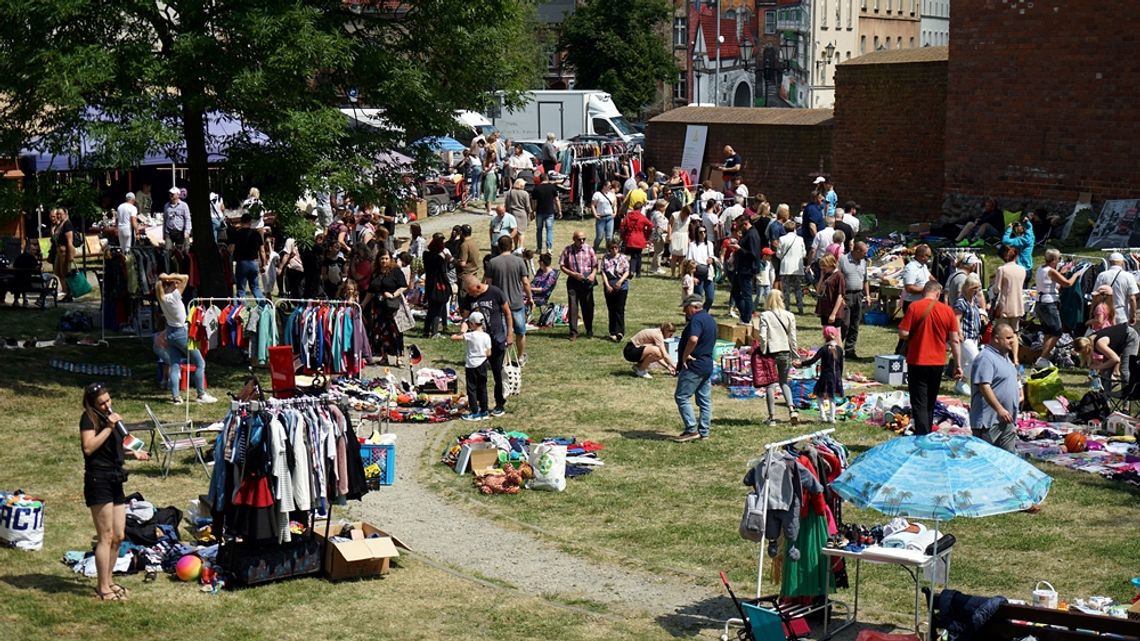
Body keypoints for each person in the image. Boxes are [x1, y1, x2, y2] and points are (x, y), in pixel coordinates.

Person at [80, 383, 150, 601]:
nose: (107, 405)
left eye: (108, 400)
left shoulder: (112, 418)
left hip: (115, 478)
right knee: (106, 535)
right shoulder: (89, 418)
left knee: (119, 535)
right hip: (98, 479)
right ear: (92, 404)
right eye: (102, 403)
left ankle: (109, 580)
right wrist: (109, 427)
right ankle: (103, 587)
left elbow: (115, 447)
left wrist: (134, 453)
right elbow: (89, 447)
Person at [898, 281, 962, 435]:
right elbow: (955, 340)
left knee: (919, 400)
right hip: (938, 361)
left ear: (923, 292)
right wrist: (957, 364)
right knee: (930, 400)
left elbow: (903, 333)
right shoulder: (947, 311)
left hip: (917, 360)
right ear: (938, 294)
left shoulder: (914, 307)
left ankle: (922, 435)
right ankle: (926, 431)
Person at [156, 273, 216, 404]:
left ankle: (176, 397)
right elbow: (186, 277)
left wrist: (167, 279)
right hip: (181, 332)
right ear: (169, 285)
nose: (177, 285)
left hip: (170, 332)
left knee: (174, 365)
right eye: (174, 283)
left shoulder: (162, 298)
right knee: (200, 363)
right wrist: (169, 276)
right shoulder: (174, 297)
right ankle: (201, 394)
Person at [460, 276, 514, 417]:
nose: (469, 294)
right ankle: (481, 405)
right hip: (478, 344)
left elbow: (508, 313)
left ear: (478, 287)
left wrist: (509, 334)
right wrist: (462, 332)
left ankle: (499, 403)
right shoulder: (469, 298)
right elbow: (465, 318)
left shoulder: (495, 292)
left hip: (496, 340)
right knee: (478, 376)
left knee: (498, 374)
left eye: (470, 291)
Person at [969, 321, 1020, 452]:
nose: (1012, 341)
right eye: (1008, 338)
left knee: (1008, 459)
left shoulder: (1006, 358)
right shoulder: (986, 358)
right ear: (996, 339)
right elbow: (984, 386)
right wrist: (1000, 409)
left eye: (1013, 337)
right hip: (989, 422)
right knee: (986, 459)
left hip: (1007, 420)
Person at [672, 294, 717, 442]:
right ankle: (704, 432)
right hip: (707, 364)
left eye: (686, 308)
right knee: (705, 401)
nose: (684, 311)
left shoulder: (696, 320)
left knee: (682, 396)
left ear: (694, 307)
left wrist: (685, 355)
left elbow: (693, 339)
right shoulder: (710, 320)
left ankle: (691, 429)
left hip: (695, 365)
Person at [755, 290, 799, 426]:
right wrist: (795, 355)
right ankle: (792, 410)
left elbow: (763, 336)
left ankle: (772, 417)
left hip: (771, 352)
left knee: (770, 384)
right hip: (785, 351)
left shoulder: (765, 315)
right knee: (784, 382)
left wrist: (763, 350)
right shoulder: (790, 315)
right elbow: (793, 337)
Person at [485, 235, 532, 361]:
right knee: (520, 332)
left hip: (500, 304)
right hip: (517, 303)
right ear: (511, 246)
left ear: (499, 247)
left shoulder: (492, 263)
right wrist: (530, 297)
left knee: (503, 334)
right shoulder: (519, 261)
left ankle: (504, 359)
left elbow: (488, 284)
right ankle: (520, 356)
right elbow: (525, 282)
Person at [1034, 248, 1082, 368]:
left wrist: (1062, 272)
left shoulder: (1041, 268)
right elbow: (1067, 284)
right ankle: (1043, 358)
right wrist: (1076, 275)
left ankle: (1044, 358)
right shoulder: (1051, 271)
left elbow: (1052, 281)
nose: (1060, 261)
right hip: (1049, 304)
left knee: (1048, 332)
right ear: (1054, 259)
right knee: (1057, 332)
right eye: (1059, 258)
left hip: (1040, 303)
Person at [361, 249, 408, 366]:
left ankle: (398, 358)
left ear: (390, 259)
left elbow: (403, 286)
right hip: (378, 308)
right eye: (382, 258)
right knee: (381, 332)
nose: (384, 261)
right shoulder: (375, 273)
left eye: (386, 258)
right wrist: (363, 304)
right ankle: (384, 356)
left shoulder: (395, 271)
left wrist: (393, 295)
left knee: (395, 332)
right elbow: (371, 291)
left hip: (392, 307)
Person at [796, 326, 845, 423]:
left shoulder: (824, 349)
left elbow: (813, 360)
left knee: (819, 395)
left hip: (825, 376)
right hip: (836, 376)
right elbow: (841, 365)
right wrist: (839, 377)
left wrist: (801, 364)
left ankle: (823, 416)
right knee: (832, 397)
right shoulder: (839, 349)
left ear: (824, 336)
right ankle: (832, 418)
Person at [896, 243, 935, 354]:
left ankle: (914, 352)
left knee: (919, 331)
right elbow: (909, 288)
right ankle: (900, 353)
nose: (929, 258)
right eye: (928, 256)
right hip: (912, 304)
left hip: (922, 303)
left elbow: (929, 277)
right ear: (922, 256)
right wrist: (926, 291)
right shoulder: (911, 268)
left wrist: (936, 285)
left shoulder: (923, 266)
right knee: (909, 331)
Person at [990, 245, 1026, 364]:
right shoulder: (1022, 269)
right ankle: (1015, 358)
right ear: (1016, 256)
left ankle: (1001, 357)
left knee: (1001, 333)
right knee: (1014, 333)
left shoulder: (1002, 269)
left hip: (1004, 305)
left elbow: (997, 289)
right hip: (1018, 305)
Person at [559, 230, 597, 341]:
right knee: (573, 306)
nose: (582, 241)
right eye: (579, 239)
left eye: (584, 239)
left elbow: (595, 265)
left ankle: (589, 330)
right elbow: (562, 265)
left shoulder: (589, 249)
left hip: (586, 281)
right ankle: (573, 332)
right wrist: (573, 274)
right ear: (574, 239)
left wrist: (592, 275)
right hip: (573, 281)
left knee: (588, 306)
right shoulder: (568, 250)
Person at [454, 311, 492, 421]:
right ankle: (484, 411)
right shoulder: (486, 336)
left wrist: (462, 331)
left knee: (472, 389)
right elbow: (489, 353)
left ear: (473, 324)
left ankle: (475, 412)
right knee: (482, 388)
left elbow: (455, 338)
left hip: (471, 365)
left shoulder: (470, 335)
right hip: (482, 364)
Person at [1074, 324, 1140, 385]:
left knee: (1124, 370)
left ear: (1087, 347)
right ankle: (1106, 393)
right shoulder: (1088, 340)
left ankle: (1129, 392)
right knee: (1105, 372)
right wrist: (1093, 372)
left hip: (1129, 337)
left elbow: (1116, 359)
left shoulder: (1099, 344)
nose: (1083, 354)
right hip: (1115, 343)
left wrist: (1098, 367)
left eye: (1083, 352)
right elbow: (1092, 363)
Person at [953, 275, 986, 395]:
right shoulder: (961, 302)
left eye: (978, 288)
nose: (976, 291)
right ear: (968, 288)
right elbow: (956, 319)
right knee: (976, 360)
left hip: (974, 336)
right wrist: (959, 332)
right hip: (965, 336)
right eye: (974, 288)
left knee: (964, 362)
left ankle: (958, 385)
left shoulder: (974, 301)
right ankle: (963, 381)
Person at [838, 242, 870, 358]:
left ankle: (850, 350)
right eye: (864, 253)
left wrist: (867, 295)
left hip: (858, 295)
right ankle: (837, 347)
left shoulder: (863, 262)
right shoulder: (843, 260)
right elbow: (837, 279)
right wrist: (840, 296)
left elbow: (865, 280)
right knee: (844, 323)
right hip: (846, 295)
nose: (866, 255)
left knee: (855, 324)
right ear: (857, 251)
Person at [1094, 252, 1139, 326]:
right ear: (1122, 263)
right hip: (1122, 315)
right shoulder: (1129, 276)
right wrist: (1133, 315)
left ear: (1109, 262)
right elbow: (1132, 298)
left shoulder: (1102, 275)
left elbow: (1095, 295)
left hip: (1105, 314)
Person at [229, 213, 266, 300]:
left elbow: (231, 250)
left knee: (241, 289)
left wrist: (230, 262)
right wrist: (263, 264)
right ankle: (263, 305)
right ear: (250, 222)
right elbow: (262, 250)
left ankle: (243, 307)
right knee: (256, 287)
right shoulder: (256, 234)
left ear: (241, 222)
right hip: (254, 262)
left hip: (241, 263)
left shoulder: (237, 234)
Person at [422, 233, 452, 338]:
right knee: (437, 310)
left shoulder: (426, 255)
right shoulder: (439, 258)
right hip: (438, 285)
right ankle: (434, 332)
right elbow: (443, 273)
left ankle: (426, 331)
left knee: (431, 309)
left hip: (429, 284)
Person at [602, 240, 630, 341]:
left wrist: (620, 281)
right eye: (612, 248)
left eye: (616, 247)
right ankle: (613, 331)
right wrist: (607, 285)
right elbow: (603, 272)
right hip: (609, 285)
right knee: (611, 309)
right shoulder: (605, 258)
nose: (614, 249)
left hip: (621, 286)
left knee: (619, 309)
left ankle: (620, 331)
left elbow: (627, 271)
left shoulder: (623, 258)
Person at [777, 220, 807, 314]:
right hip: (797, 267)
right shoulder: (800, 239)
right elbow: (804, 253)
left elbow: (778, 253)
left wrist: (782, 257)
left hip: (785, 267)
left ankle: (787, 307)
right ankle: (800, 307)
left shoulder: (782, 239)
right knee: (797, 288)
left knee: (786, 289)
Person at [814, 254, 847, 338]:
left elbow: (840, 296)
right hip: (825, 308)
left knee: (836, 334)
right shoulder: (826, 274)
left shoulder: (839, 276)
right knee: (826, 333)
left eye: (824, 266)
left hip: (834, 309)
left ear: (831, 264)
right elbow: (818, 291)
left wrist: (833, 313)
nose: (822, 268)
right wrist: (821, 277)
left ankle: (838, 347)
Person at [49, 207, 77, 302]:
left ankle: (68, 294)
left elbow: (69, 241)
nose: (58, 216)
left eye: (60, 214)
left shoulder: (67, 224)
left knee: (65, 273)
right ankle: (66, 292)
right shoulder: (60, 224)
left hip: (65, 252)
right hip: (59, 251)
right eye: (57, 214)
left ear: (65, 214)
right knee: (58, 272)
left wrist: (70, 255)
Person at [619, 201, 653, 278]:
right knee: (638, 256)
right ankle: (637, 272)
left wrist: (623, 236)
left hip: (630, 238)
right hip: (640, 238)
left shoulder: (628, 216)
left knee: (633, 255)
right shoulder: (642, 217)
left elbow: (622, 226)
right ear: (640, 209)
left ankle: (632, 270)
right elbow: (651, 225)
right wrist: (646, 233)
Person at [687, 225, 716, 310]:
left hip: (708, 272)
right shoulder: (692, 245)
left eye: (704, 232)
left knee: (710, 297)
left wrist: (711, 259)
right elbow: (689, 260)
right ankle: (697, 313)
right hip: (697, 272)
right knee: (698, 297)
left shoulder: (709, 244)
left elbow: (712, 256)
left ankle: (704, 312)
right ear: (697, 233)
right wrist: (692, 277)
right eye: (700, 232)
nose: (703, 234)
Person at [531, 173, 560, 253]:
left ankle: (539, 248)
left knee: (539, 230)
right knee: (549, 230)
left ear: (540, 179)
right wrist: (559, 210)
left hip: (539, 211)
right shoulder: (552, 187)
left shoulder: (537, 188)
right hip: (550, 211)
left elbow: (533, 201)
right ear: (547, 178)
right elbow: (557, 200)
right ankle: (549, 248)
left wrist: (533, 210)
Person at [504, 178, 531, 250]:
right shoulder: (525, 193)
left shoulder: (509, 193)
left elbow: (506, 204)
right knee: (521, 232)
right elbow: (527, 205)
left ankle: (515, 246)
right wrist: (530, 212)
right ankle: (521, 246)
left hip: (512, 213)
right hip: (522, 214)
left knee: (514, 231)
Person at [163, 186, 192, 252]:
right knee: (167, 251)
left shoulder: (184, 205)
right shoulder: (166, 206)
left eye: (173, 194)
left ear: (178, 195)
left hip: (180, 231)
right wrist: (164, 233)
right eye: (170, 194)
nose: (171, 195)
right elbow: (165, 219)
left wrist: (187, 231)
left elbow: (187, 219)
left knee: (181, 251)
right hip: (169, 231)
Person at [668, 205, 693, 278]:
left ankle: (680, 273)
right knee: (674, 256)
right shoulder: (674, 215)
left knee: (682, 257)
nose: (687, 215)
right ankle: (673, 274)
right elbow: (669, 224)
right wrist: (669, 235)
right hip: (675, 235)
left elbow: (687, 229)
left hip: (684, 236)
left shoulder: (688, 218)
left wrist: (688, 238)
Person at [592, 180, 617, 251]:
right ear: (604, 186)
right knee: (599, 237)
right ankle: (594, 249)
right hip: (601, 218)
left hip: (610, 217)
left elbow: (614, 204)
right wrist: (595, 214)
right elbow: (593, 205)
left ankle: (608, 251)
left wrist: (615, 212)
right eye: (609, 186)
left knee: (609, 237)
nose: (610, 187)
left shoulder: (611, 195)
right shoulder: (597, 194)